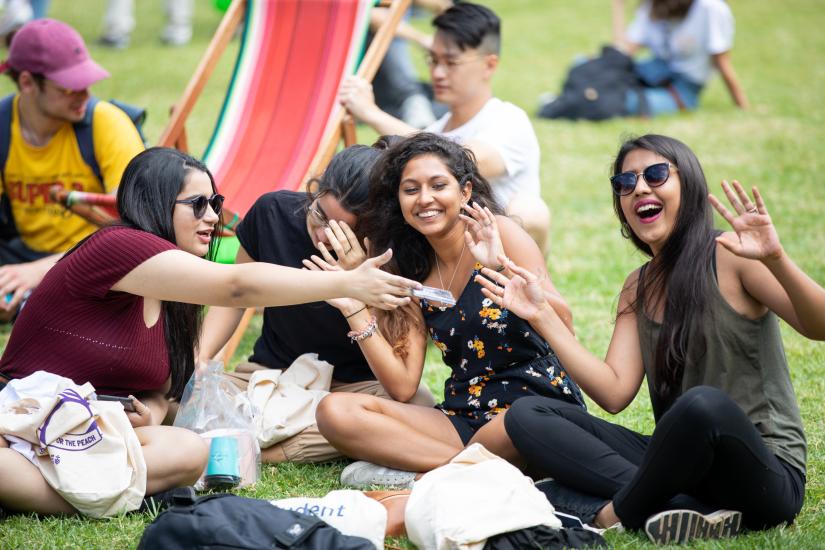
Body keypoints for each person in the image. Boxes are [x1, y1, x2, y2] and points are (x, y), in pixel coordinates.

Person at [0, 147, 420, 516]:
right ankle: (65, 490)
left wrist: (154, 407)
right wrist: (347, 284)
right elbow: (236, 286)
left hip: (94, 426)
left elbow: (160, 387)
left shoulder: (175, 293)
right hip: (29, 418)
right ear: (157, 203)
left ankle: (69, 488)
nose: (213, 216)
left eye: (215, 202)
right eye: (198, 204)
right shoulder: (121, 246)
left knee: (188, 451)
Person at [475, 134, 821, 544]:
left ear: (687, 186)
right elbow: (614, 392)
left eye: (656, 175)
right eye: (625, 182)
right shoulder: (638, 286)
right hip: (683, 465)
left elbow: (818, 327)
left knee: (702, 405)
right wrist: (541, 315)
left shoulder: (730, 255)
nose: (639, 188)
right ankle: (681, 505)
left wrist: (776, 259)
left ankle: (611, 512)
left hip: (766, 475)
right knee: (527, 415)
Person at [313, 133, 584, 488]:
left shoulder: (499, 234)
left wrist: (502, 271)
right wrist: (356, 310)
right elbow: (402, 385)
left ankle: (437, 474)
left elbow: (565, 322)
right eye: (411, 190)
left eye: (438, 185)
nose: (425, 199)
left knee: (510, 426)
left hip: (533, 411)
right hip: (464, 415)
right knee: (334, 412)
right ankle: (466, 472)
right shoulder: (410, 268)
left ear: (465, 191)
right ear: (399, 201)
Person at [199, 139, 436, 465]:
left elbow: (402, 387)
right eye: (320, 214)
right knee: (177, 391)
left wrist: (357, 286)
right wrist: (201, 359)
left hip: (353, 389)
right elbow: (236, 296)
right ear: (314, 192)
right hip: (270, 377)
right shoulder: (275, 213)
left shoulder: (398, 250)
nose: (323, 234)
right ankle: (287, 435)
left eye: (342, 230)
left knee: (418, 405)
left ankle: (268, 451)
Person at [338, 2, 552, 252]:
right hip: (444, 254)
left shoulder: (508, 120)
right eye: (433, 60)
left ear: (489, 64)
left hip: (499, 258)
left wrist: (371, 113)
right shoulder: (436, 128)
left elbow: (458, 161)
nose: (437, 73)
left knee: (531, 210)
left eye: (451, 62)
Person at [0, 18, 144, 321]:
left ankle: (32, 299)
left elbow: (137, 229)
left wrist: (39, 272)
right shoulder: (2, 127)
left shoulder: (107, 123)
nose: (85, 95)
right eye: (70, 86)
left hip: (101, 260)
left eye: (86, 82)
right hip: (21, 255)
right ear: (27, 82)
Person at [613, 0, 748, 115]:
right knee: (593, 71)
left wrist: (743, 106)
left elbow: (722, 62)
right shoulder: (654, 4)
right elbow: (621, 53)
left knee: (620, 100)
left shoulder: (710, 8)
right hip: (653, 70)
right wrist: (618, 7)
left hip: (683, 88)